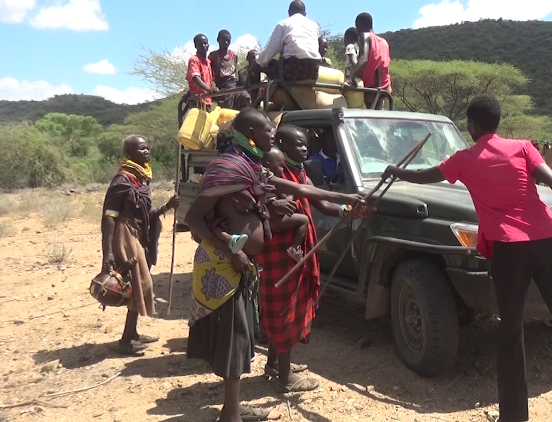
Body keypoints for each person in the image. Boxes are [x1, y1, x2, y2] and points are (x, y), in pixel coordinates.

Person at [382, 94, 552, 422]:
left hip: (508, 251)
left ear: (472, 126)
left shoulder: (464, 159)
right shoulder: (523, 148)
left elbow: (426, 176)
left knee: (511, 333)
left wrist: (396, 171)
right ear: (498, 122)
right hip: (549, 242)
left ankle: (513, 418)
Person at [185, 108, 362, 422]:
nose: (274, 135)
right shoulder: (228, 167)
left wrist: (347, 198)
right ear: (253, 134)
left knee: (239, 337)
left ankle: (232, 408)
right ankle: (231, 416)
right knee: (233, 338)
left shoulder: (253, 167)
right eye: (269, 131)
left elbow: (302, 190)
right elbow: (193, 218)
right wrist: (231, 250)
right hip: (224, 264)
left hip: (242, 263)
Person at [257, 124, 365, 394]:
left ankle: (273, 365)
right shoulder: (270, 172)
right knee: (283, 310)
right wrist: (346, 199)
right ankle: (285, 378)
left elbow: (324, 205)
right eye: (297, 144)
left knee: (286, 307)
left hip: (298, 252)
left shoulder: (302, 172)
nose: (304, 148)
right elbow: (300, 197)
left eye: (306, 144)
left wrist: (351, 210)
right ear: (281, 143)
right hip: (280, 252)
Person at [101, 135, 179, 355]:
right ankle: (125, 341)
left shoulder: (141, 179)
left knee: (138, 284)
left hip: (138, 234)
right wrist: (107, 252)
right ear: (129, 153)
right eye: (142, 149)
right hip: (125, 236)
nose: (147, 152)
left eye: (147, 149)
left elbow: (146, 214)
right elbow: (109, 217)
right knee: (140, 284)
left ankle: (131, 333)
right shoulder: (122, 180)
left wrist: (167, 207)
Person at [262, 146, 310, 262]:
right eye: (280, 166)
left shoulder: (258, 177)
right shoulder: (273, 181)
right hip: (273, 218)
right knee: (304, 219)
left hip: (264, 219)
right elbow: (288, 200)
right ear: (268, 166)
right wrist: (296, 192)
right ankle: (293, 249)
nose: (282, 170)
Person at [256, 1, 321, 82]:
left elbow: (271, 50)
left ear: (289, 13)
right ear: (305, 14)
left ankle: (256, 94)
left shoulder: (283, 24)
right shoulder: (314, 26)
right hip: (313, 73)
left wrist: (258, 61)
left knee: (260, 65)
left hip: (292, 72)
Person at [347, 13, 391, 109]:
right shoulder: (384, 42)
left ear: (359, 25)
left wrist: (349, 79)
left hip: (370, 88)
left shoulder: (365, 36)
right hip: (385, 87)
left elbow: (363, 59)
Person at [208, 30, 252, 110]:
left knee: (246, 97)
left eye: (228, 40)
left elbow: (234, 73)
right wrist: (212, 86)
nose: (226, 42)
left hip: (234, 85)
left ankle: (253, 115)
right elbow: (208, 73)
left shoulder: (234, 55)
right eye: (223, 40)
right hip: (222, 87)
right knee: (228, 106)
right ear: (218, 40)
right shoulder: (213, 56)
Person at [186, 33, 218, 109]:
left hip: (207, 100)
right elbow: (195, 77)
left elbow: (211, 79)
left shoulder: (208, 62)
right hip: (197, 100)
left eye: (205, 43)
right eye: (201, 44)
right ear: (196, 46)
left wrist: (213, 88)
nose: (204, 46)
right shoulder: (194, 60)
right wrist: (208, 89)